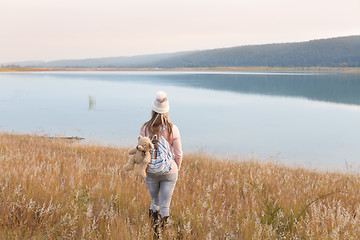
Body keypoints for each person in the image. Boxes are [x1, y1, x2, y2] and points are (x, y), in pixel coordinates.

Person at [140, 91, 183, 237]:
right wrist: (176, 167)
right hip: (170, 172)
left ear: (153, 110)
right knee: (165, 205)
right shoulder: (172, 128)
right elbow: (178, 154)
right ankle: (163, 234)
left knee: (155, 202)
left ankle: (155, 233)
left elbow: (141, 150)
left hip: (151, 171)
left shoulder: (145, 128)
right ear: (167, 111)